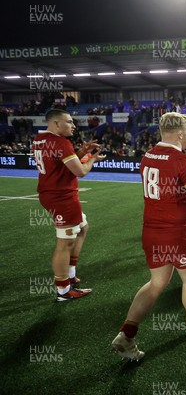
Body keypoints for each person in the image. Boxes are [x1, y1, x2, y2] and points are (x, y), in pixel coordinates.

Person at [111, 112, 186, 361]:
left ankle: (126, 334)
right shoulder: (182, 160)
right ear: (180, 133)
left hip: (152, 230)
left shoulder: (148, 156)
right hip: (179, 230)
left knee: (156, 283)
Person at [32, 109, 106, 301]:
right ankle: (64, 290)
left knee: (82, 228)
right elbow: (80, 171)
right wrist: (91, 159)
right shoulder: (60, 142)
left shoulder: (39, 139)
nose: (73, 125)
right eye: (69, 122)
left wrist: (81, 152)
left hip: (52, 193)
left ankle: (71, 274)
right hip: (61, 197)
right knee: (64, 243)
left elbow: (60, 164)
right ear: (56, 124)